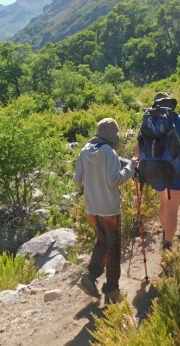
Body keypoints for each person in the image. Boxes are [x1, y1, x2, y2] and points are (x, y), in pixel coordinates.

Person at [73, 118, 138, 304]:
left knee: (102, 242)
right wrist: (131, 168)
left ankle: (89, 277)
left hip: (92, 208)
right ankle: (112, 291)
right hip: (109, 208)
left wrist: (93, 183)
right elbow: (114, 181)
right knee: (114, 247)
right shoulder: (109, 152)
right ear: (113, 137)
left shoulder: (85, 150)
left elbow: (77, 180)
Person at [139, 92, 180, 250]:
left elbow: (138, 149)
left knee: (163, 202)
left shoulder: (148, 120)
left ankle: (165, 232)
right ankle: (168, 243)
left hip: (155, 171)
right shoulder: (178, 120)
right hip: (175, 171)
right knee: (173, 209)